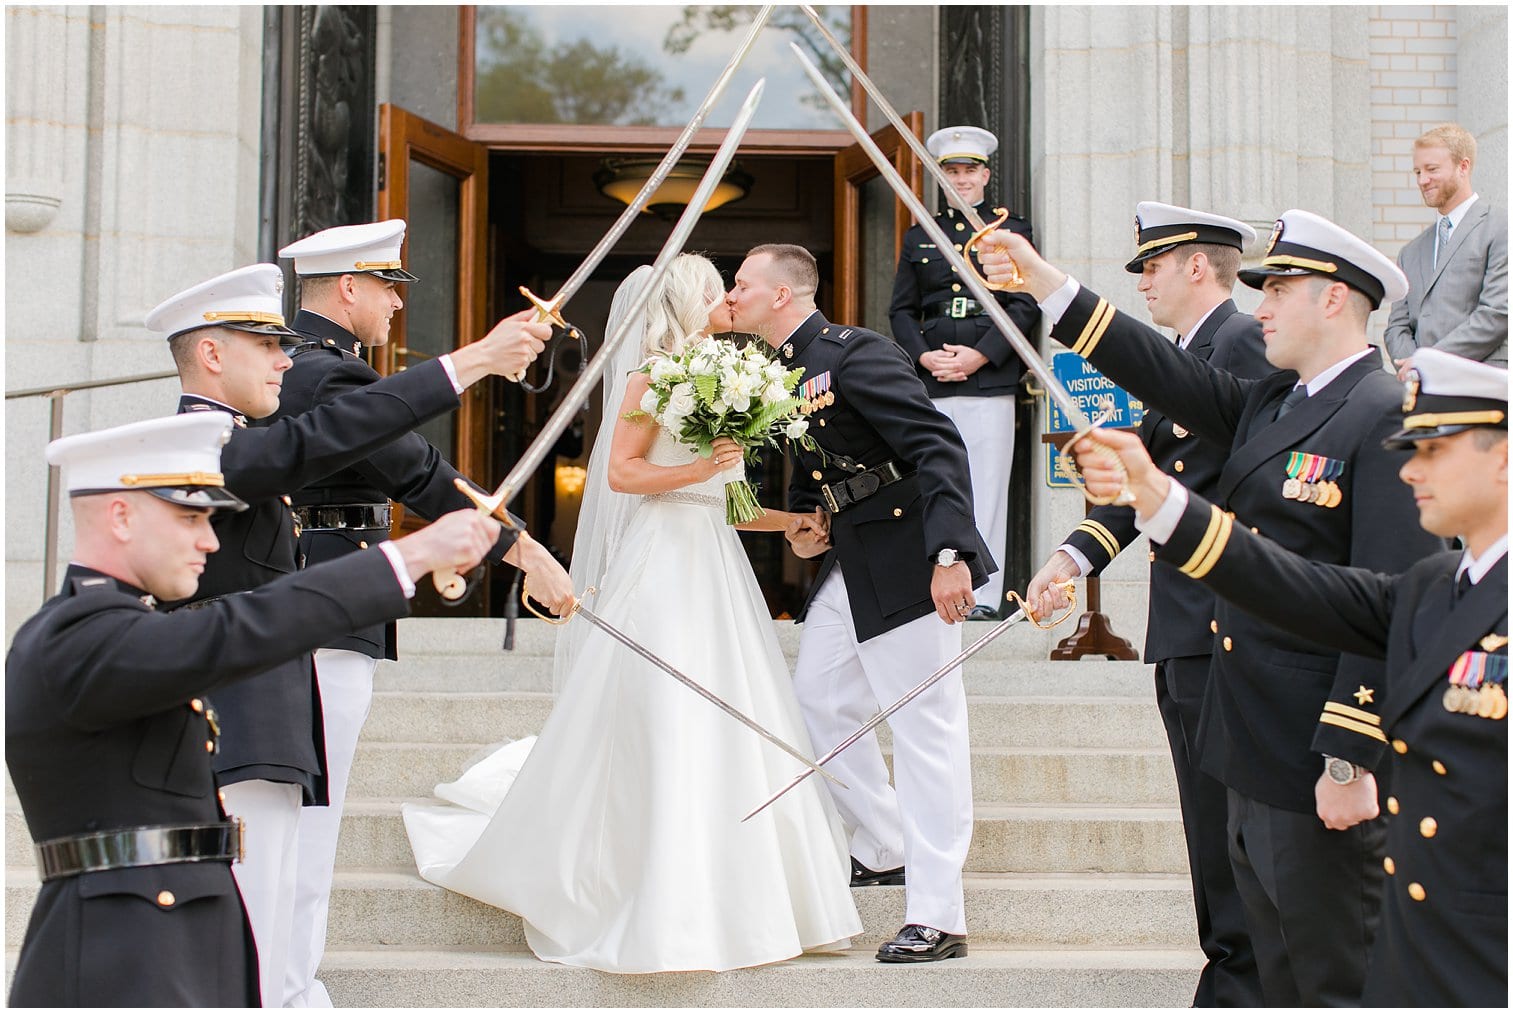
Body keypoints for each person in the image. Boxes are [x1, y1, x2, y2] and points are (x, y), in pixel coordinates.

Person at [981, 211, 1445, 1003]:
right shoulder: (1271, 401)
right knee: (1269, 955)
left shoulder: (1381, 409)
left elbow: (1389, 599)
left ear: (1333, 300)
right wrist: (1043, 281)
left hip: (1314, 746)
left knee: (1333, 966)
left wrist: (1348, 753)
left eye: (1279, 288)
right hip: (1249, 735)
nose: (1258, 305)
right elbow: (1161, 373)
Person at [403, 254, 863, 973]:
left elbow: (730, 501)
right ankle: (654, 883)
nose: (729, 300)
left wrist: (790, 524)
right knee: (665, 709)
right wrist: (697, 469)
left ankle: (747, 889)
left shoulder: (727, 377)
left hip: (715, 564)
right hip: (661, 564)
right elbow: (622, 473)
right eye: (719, 289)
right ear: (690, 302)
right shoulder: (654, 372)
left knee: (733, 714)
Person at [146, 262, 562, 1006]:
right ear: (211, 354)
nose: (286, 357)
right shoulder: (204, 448)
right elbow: (345, 435)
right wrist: (473, 361)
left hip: (265, 703)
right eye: (265, 344)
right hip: (238, 711)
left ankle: (282, 991)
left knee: (272, 875)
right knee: (257, 879)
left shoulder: (232, 438)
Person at [5, 411, 501, 1007]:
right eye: (190, 517)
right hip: (123, 961)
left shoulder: (114, 629)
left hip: (174, 943)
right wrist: (406, 559)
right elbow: (237, 629)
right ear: (120, 515)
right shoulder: (79, 638)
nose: (211, 541)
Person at [1061, 346, 1507, 1007]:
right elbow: (1286, 583)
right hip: (1424, 957)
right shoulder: (1432, 586)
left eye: (1433, 451)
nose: (1410, 470)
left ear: (1500, 454)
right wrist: (1152, 493)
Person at [271, 220, 573, 1008]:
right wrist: (527, 553)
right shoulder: (322, 375)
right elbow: (417, 471)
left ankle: (286, 979)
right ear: (347, 289)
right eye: (389, 286)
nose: (399, 305)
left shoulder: (314, 367)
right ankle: (284, 986)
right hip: (318, 610)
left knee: (308, 814)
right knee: (307, 817)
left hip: (326, 606)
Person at [1025, 202, 1271, 1005]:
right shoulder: (1189, 351)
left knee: (1233, 837)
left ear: (1198, 266)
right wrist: (1068, 557)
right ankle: (1230, 971)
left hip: (1222, 626)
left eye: (1153, 268)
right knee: (1209, 833)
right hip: (1184, 632)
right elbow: (1143, 492)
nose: (1144, 284)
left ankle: (1239, 982)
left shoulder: (1237, 343)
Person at [726, 243, 993, 963]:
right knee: (815, 698)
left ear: (783, 295)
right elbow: (822, 457)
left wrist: (949, 553)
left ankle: (939, 914)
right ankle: (882, 842)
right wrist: (807, 513)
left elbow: (936, 444)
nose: (732, 294)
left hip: (910, 555)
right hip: (852, 557)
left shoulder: (856, 353)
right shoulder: (783, 369)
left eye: (742, 284)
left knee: (924, 729)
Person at [888, 125, 1039, 618]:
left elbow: (1023, 304)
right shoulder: (920, 235)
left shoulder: (1010, 232)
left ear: (985, 175)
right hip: (933, 377)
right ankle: (935, 590)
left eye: (969, 171)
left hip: (987, 377)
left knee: (988, 482)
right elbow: (903, 311)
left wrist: (982, 355)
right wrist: (922, 356)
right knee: (934, 481)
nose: (961, 179)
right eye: (951, 172)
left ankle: (985, 596)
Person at [1384, 123, 1508, 371]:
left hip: (1483, 385)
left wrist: (1428, 362)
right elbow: (1397, 326)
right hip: (1422, 391)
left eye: (1431, 169)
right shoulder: (1410, 252)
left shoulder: (1502, 226)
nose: (1422, 180)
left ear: (1463, 166)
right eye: (1417, 171)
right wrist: (1414, 368)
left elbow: (1497, 313)